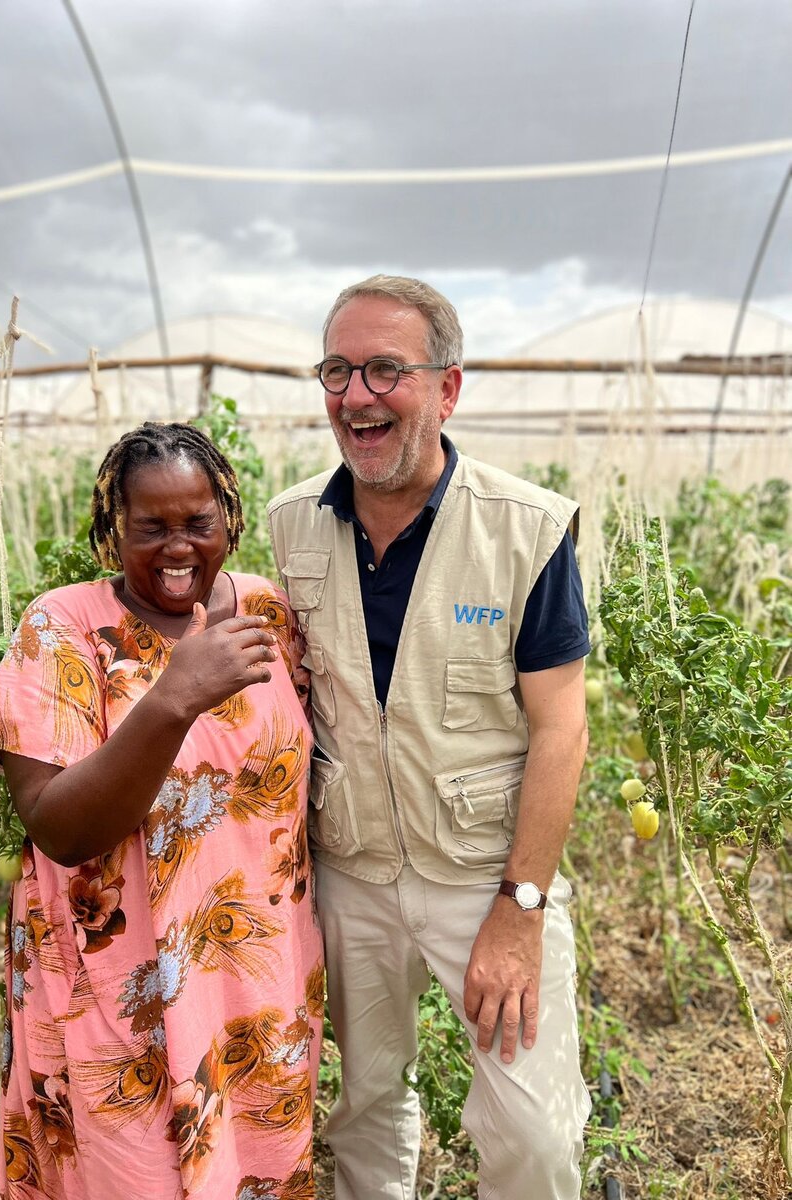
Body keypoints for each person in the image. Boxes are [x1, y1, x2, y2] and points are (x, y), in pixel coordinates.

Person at [267, 276, 592, 1200]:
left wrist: (519, 909)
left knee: (533, 1132)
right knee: (364, 1105)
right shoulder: (293, 527)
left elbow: (561, 729)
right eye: (337, 370)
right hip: (353, 871)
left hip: (484, 874)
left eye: (384, 370)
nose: (356, 395)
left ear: (448, 390)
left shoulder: (524, 529)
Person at [0, 421, 324, 1200]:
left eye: (198, 524)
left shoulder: (269, 615)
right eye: (150, 528)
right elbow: (62, 829)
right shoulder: (63, 629)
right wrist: (173, 698)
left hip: (254, 985)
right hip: (116, 995)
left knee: (256, 1169)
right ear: (111, 529)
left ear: (229, 520)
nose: (178, 548)